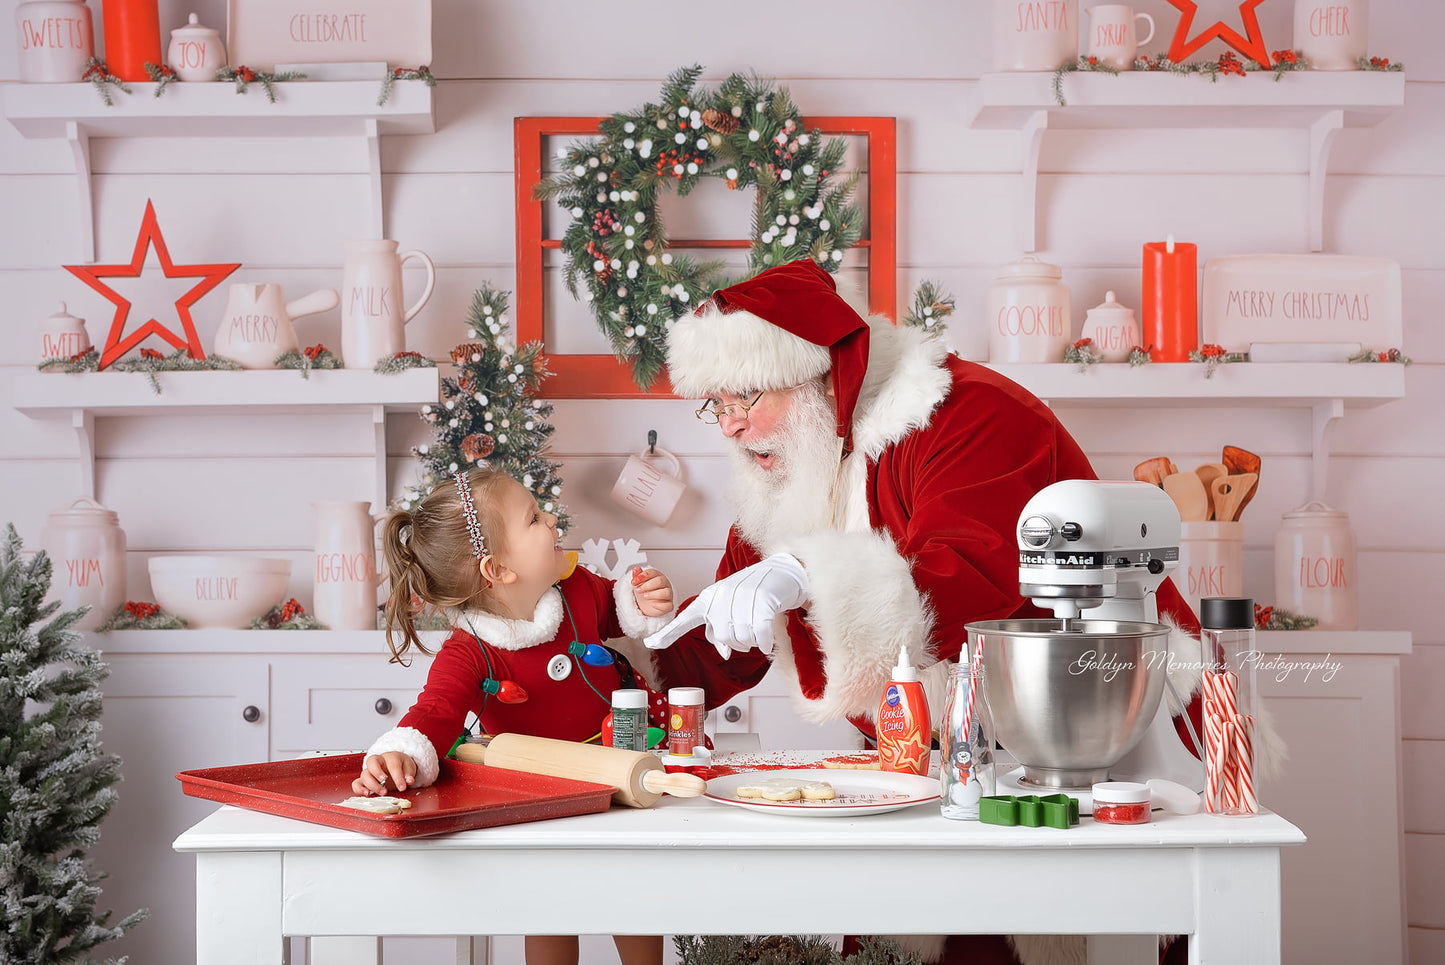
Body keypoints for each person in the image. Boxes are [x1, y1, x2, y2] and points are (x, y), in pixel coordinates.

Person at [639, 258, 1203, 965]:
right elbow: (735, 622)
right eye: (713, 403)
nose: (729, 426)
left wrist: (806, 572)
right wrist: (627, 655)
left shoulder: (970, 412)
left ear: (822, 375)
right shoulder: (798, 457)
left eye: (745, 396)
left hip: (1099, 726)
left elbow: (967, 578)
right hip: (936, 759)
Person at [353, 467, 674, 965]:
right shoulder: (469, 653)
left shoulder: (577, 587)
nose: (551, 519)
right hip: (536, 806)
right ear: (498, 570)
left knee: (633, 902)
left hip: (619, 781)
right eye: (534, 517)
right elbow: (433, 714)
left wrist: (640, 598)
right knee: (548, 911)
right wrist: (400, 750)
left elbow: (616, 606)